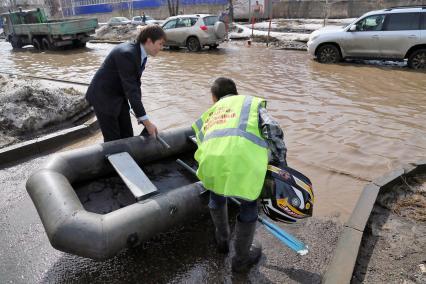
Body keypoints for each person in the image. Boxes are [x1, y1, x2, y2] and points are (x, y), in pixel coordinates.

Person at [192, 77, 287, 273]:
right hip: (245, 163)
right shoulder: (249, 103)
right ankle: (241, 260)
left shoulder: (210, 112)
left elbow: (201, 140)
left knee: (216, 195)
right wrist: (280, 164)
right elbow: (273, 130)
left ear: (214, 97)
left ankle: (222, 242)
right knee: (249, 204)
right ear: (236, 92)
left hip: (211, 162)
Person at [85, 25, 166, 142]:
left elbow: (136, 85)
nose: (161, 47)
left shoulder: (141, 54)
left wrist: (140, 115)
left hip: (118, 95)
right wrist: (147, 123)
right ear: (149, 41)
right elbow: (131, 90)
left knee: (127, 134)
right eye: (160, 43)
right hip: (103, 97)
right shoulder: (128, 54)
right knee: (113, 140)